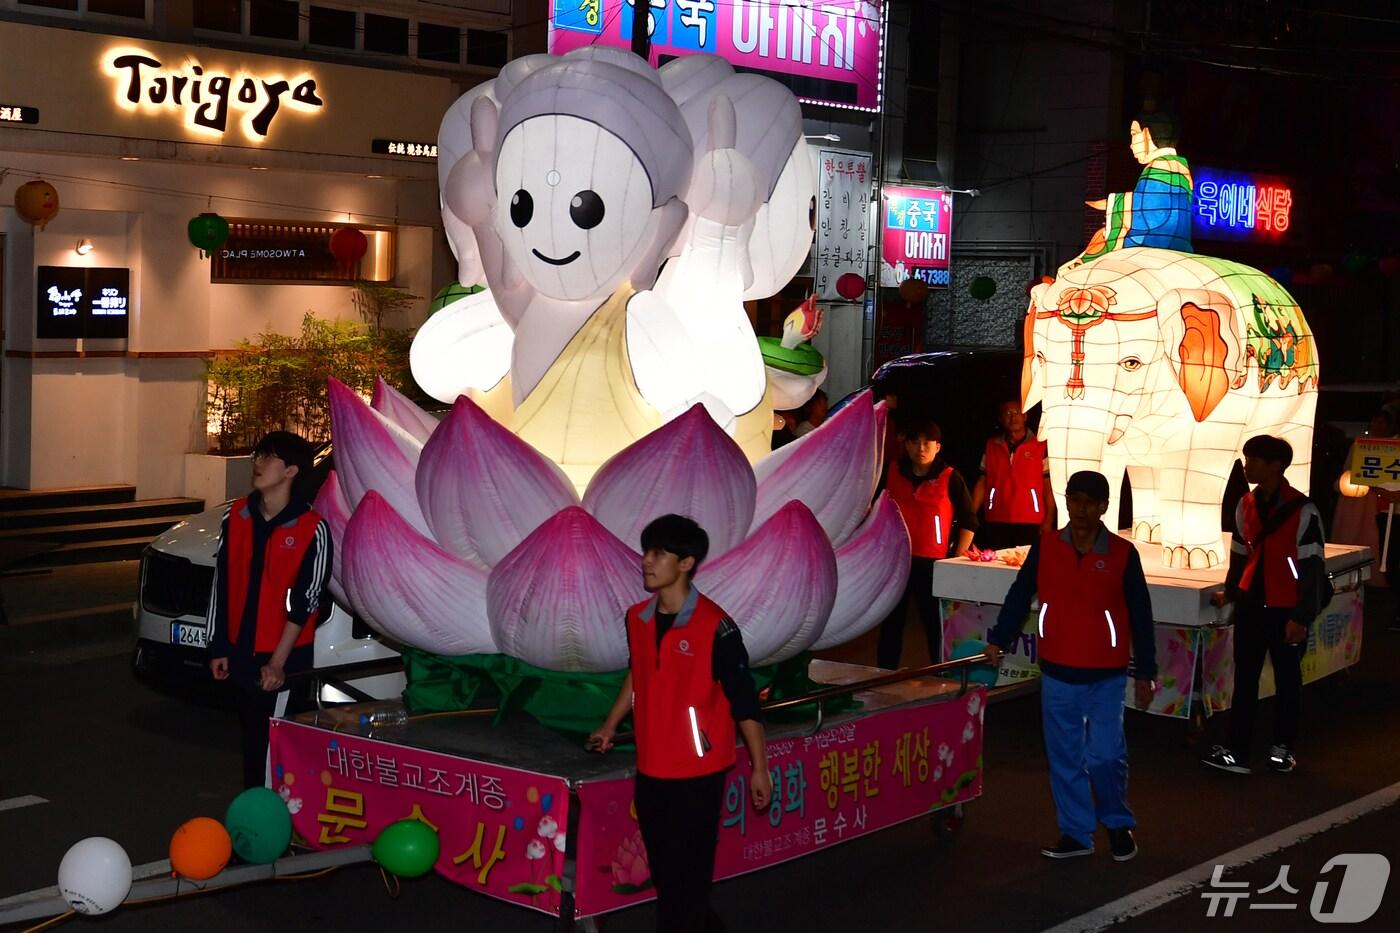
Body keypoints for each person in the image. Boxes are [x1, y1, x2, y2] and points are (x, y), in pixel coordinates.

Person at [589, 515, 771, 933]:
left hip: (698, 772)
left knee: (687, 878)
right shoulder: (637, 618)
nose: (646, 561)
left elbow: (744, 701)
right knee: (670, 875)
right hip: (651, 767)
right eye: (646, 551)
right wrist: (609, 725)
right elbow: (639, 672)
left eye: (658, 553)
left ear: (686, 563)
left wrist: (760, 768)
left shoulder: (716, 627)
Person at [983, 471, 1157, 861]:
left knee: (1105, 755)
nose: (1080, 509)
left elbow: (1141, 614)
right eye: (1074, 499)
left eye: (1089, 502)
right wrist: (999, 638)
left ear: (1103, 507)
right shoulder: (1045, 547)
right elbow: (1019, 594)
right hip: (1058, 670)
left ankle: (1116, 822)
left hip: (1106, 674)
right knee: (1064, 756)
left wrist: (1146, 670)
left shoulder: (1122, 553)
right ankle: (1076, 833)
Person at [208, 431, 331, 789]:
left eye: (269, 457)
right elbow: (223, 583)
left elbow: (306, 602)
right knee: (251, 744)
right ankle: (256, 827)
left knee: (275, 749)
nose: (258, 463)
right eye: (258, 454)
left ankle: (273, 826)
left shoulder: (313, 529)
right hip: (241, 652)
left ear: (291, 470)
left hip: (282, 660)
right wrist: (219, 646)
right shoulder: (237, 516)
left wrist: (278, 662)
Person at [1204, 435, 1327, 776]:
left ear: (1275, 466)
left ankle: (1282, 748)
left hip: (1286, 608)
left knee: (1288, 681)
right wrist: (1232, 591)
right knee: (1244, 679)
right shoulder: (1246, 503)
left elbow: (1313, 567)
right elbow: (1240, 553)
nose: (1246, 465)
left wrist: (1301, 617)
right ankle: (1237, 751)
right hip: (1251, 605)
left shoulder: (1304, 510)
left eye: (1253, 459)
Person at [878, 418, 977, 669]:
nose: (921, 448)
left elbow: (969, 519)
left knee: (935, 623)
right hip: (896, 559)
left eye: (927, 443)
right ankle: (883, 674)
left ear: (938, 447)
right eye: (915, 442)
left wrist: (957, 557)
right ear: (907, 445)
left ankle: (942, 672)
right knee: (891, 621)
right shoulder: (892, 471)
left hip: (934, 562)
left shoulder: (950, 477)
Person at [1068, 112, 1193, 272]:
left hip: (1157, 241)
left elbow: (1153, 211)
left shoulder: (1161, 166)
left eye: (1134, 134)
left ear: (1147, 134)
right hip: (1176, 242)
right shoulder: (1178, 166)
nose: (1131, 144)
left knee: (1099, 244)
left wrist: (1114, 206)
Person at [971, 400, 1056, 549]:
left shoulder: (1040, 445)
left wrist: (1048, 520)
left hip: (1030, 519)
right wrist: (970, 514)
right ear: (1000, 419)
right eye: (1008, 413)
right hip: (997, 518)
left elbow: (1048, 485)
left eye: (1017, 413)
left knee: (1025, 567)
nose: (1013, 417)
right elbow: (982, 481)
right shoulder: (992, 445)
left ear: (1025, 416)